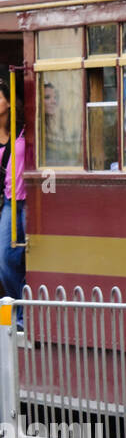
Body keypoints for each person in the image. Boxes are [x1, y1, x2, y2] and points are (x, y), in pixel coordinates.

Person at [0, 81, 28, 321]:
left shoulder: (23, 129)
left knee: (35, 256)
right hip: (9, 201)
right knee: (5, 259)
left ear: (8, 102)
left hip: (32, 201)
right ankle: (21, 311)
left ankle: (31, 313)